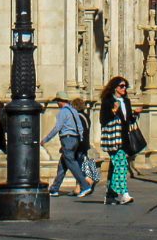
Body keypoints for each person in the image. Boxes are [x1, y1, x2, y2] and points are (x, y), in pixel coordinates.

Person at [41, 92, 92, 198]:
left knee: (72, 164)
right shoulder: (74, 111)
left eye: (57, 101)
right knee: (62, 165)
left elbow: (57, 128)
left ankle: (85, 185)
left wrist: (46, 139)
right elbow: (80, 127)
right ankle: (54, 188)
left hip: (67, 138)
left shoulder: (63, 112)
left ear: (60, 101)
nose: (56, 104)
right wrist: (80, 139)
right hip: (75, 139)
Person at [100, 76, 137, 206]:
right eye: (121, 86)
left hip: (124, 138)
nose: (124, 88)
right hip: (113, 139)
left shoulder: (126, 101)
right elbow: (103, 120)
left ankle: (110, 196)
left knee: (116, 167)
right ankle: (123, 194)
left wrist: (135, 115)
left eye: (125, 86)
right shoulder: (107, 101)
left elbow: (128, 120)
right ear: (115, 87)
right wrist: (113, 111)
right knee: (121, 165)